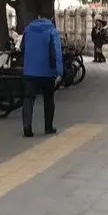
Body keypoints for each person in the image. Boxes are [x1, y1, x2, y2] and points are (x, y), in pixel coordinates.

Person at [20, 10, 64, 138]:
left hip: (30, 72)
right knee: (48, 99)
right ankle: (48, 127)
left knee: (28, 99)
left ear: (38, 16)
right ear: (51, 17)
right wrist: (59, 72)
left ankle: (27, 126)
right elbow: (58, 53)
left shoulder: (28, 30)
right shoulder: (52, 31)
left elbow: (22, 47)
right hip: (47, 72)